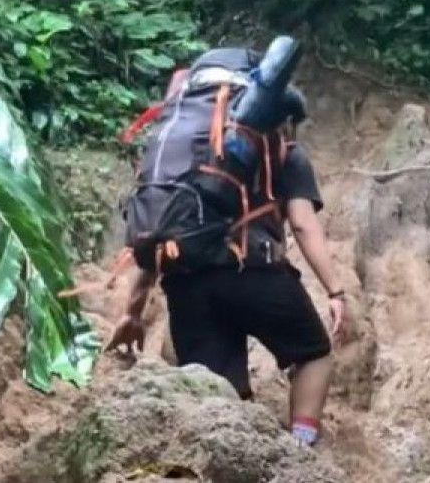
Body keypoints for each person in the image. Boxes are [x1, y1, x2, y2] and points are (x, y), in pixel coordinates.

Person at [106, 108, 346, 447]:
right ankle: (299, 449)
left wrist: (132, 312)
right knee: (314, 354)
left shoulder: (181, 163)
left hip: (188, 285)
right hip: (256, 275)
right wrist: (336, 291)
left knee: (221, 402)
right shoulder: (283, 151)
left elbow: (156, 237)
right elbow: (304, 224)